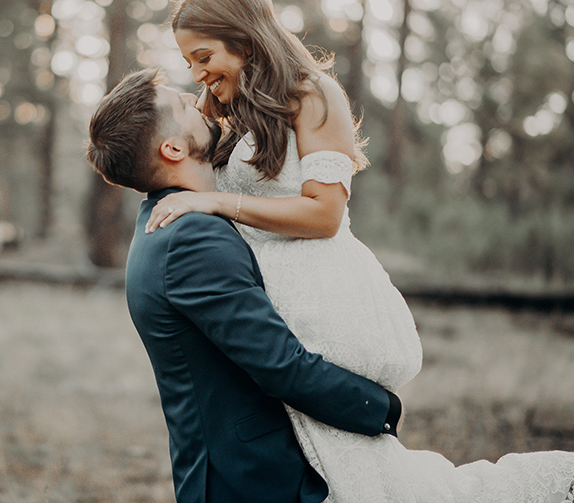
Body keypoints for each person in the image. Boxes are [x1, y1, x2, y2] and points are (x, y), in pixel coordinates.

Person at [145, 0, 574, 502]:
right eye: (189, 62)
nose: (197, 72)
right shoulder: (229, 103)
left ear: (245, 37)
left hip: (322, 300)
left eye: (203, 55)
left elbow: (324, 214)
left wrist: (216, 202)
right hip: (273, 304)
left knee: (362, 480)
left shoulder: (313, 94)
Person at [86, 66, 404, 503]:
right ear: (174, 148)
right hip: (253, 482)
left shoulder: (167, 227)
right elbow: (280, 364)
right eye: (183, 105)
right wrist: (381, 408)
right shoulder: (190, 239)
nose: (199, 103)